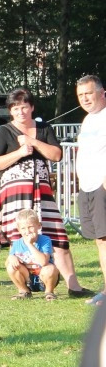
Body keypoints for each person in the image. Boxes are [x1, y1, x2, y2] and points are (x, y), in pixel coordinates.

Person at [0, 88, 91, 297]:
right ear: (10, 111)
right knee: (20, 237)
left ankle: (74, 286)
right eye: (16, 108)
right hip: (14, 193)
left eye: (24, 107)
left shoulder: (44, 128)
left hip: (42, 192)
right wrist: (18, 153)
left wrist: (33, 142)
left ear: (32, 107)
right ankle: (24, 286)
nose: (21, 112)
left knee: (58, 238)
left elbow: (56, 155)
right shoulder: (4, 131)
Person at [75, 75, 106, 305]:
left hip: (102, 186)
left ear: (102, 93)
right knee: (100, 239)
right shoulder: (88, 120)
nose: (84, 98)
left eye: (88, 93)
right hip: (88, 186)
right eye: (80, 95)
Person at [6, 209, 59, 301]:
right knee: (11, 266)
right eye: (23, 228)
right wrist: (11, 257)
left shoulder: (45, 240)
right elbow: (7, 262)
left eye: (30, 227)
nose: (27, 231)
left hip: (44, 277)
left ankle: (49, 292)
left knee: (50, 268)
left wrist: (30, 244)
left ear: (39, 226)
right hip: (28, 278)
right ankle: (24, 291)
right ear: (18, 229)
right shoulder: (16, 243)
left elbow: (43, 262)